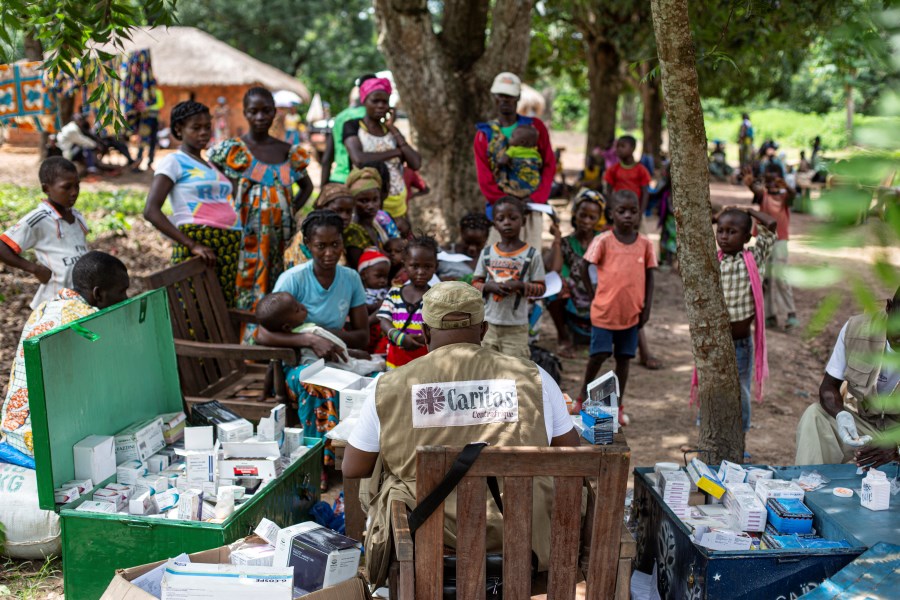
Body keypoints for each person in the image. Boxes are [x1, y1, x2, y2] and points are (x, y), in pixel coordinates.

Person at [342, 281, 579, 586]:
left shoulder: (389, 385)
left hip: (430, 535)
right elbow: (570, 454)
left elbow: (352, 467)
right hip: (523, 537)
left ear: (426, 333)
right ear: (484, 330)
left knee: (381, 471)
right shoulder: (534, 377)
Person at [259, 211, 369, 488]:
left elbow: (362, 335)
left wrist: (324, 335)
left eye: (335, 244)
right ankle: (316, 460)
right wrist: (309, 339)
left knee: (376, 383)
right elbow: (263, 333)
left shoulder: (350, 278)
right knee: (314, 386)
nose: (329, 252)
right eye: (321, 246)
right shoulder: (293, 279)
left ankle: (355, 456)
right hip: (298, 364)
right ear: (308, 244)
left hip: (337, 360)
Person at [209, 87, 314, 341]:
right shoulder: (235, 151)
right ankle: (250, 344)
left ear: (274, 112)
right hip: (248, 238)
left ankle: (281, 341)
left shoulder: (288, 152)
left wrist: (287, 211)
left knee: (281, 288)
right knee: (248, 286)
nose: (260, 116)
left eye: (266, 110)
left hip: (283, 238)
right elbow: (215, 181)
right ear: (244, 113)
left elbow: (307, 187)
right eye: (253, 111)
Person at [1, 251, 130, 456]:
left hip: (13, 433)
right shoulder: (89, 321)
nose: (126, 298)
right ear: (98, 294)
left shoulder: (45, 308)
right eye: (122, 292)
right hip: (44, 444)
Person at [143, 101, 242, 307]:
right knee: (193, 308)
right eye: (196, 128)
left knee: (222, 308)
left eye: (207, 127)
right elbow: (151, 211)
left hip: (227, 247)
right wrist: (192, 244)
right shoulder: (174, 162)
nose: (204, 132)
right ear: (179, 129)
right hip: (199, 247)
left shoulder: (212, 165)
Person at [574, 191, 657, 424]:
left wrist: (646, 308)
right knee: (599, 354)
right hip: (603, 312)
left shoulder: (645, 244)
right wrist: (593, 296)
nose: (628, 216)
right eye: (622, 211)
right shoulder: (603, 240)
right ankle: (582, 396)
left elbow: (650, 277)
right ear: (611, 214)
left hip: (631, 314)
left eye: (633, 211)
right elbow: (584, 266)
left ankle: (617, 406)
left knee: (624, 359)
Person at [795, 288, 900, 467]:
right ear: (889, 308)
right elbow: (828, 387)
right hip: (864, 424)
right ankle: (810, 487)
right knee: (816, 416)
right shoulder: (856, 329)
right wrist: (841, 415)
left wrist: (896, 448)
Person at [695, 206, 777, 432]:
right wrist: (715, 216)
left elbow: (770, 225)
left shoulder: (754, 258)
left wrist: (750, 211)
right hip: (714, 342)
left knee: (740, 390)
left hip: (740, 344)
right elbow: (695, 231)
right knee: (710, 387)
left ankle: (739, 435)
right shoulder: (712, 260)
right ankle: (708, 430)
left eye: (732, 232)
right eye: (720, 230)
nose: (723, 236)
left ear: (747, 237)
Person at [474, 72, 556, 250]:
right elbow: (485, 175)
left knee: (530, 255)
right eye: (501, 96)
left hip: (531, 206)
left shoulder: (534, 128)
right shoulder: (484, 134)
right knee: (499, 258)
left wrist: (535, 198)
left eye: (510, 96)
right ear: (494, 98)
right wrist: (505, 202)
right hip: (499, 209)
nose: (505, 100)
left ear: (518, 97)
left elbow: (549, 164)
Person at [1, 157, 89, 310]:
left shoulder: (77, 217)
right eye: (67, 187)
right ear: (46, 189)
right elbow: (2, 247)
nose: (74, 192)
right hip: (52, 305)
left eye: (77, 186)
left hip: (78, 302)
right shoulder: (39, 219)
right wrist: (35, 269)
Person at [472, 196, 546, 360]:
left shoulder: (532, 255)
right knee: (488, 366)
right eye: (501, 219)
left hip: (516, 327)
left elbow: (541, 288)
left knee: (514, 369)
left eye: (513, 218)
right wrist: (489, 287)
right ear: (494, 224)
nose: (507, 222)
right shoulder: (487, 253)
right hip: (488, 325)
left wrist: (520, 286)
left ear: (523, 221)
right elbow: (475, 283)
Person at [343, 77, 421, 218]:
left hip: (397, 202)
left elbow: (415, 163)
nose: (380, 106)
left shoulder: (391, 132)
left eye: (385, 102)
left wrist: (392, 128)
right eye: (375, 101)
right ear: (364, 101)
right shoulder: (353, 126)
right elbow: (359, 160)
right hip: (368, 202)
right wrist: (396, 152)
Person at [546, 190, 603, 358]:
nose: (586, 221)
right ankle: (564, 337)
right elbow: (554, 270)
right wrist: (557, 239)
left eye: (592, 217)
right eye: (582, 215)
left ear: (599, 219)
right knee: (553, 287)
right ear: (575, 214)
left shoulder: (604, 241)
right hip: (575, 299)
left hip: (600, 297)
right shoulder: (566, 243)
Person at [749, 165, 799, 330]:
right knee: (767, 278)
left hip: (779, 241)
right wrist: (751, 181)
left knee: (781, 276)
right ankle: (769, 315)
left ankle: (791, 313)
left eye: (774, 180)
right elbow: (754, 189)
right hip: (764, 241)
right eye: (768, 181)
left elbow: (792, 195)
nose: (771, 185)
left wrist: (784, 185)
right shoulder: (763, 195)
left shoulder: (785, 197)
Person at [378, 235, 439, 368]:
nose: (421, 272)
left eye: (427, 267)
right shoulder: (395, 293)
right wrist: (399, 337)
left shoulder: (436, 297)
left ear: (436, 266)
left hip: (424, 363)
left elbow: (440, 326)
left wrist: (428, 337)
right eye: (415, 266)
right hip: (395, 361)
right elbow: (384, 320)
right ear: (404, 265)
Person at [320, 74, 376, 187]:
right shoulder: (372, 117)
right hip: (364, 181)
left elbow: (327, 158)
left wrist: (324, 187)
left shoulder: (341, 117)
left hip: (339, 178)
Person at [284, 183, 355, 270]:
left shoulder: (348, 232)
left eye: (349, 212)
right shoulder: (310, 235)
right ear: (322, 208)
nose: (344, 216)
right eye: (338, 210)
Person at [343, 167, 398, 268]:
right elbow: (361, 269)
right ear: (352, 201)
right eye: (363, 201)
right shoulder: (353, 232)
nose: (371, 205)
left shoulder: (376, 224)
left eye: (375, 199)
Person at [438, 212, 492, 283]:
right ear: (461, 234)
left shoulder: (491, 258)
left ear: (486, 239)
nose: (472, 248)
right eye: (467, 242)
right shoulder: (442, 254)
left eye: (478, 244)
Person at [492, 123, 542, 200]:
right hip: (532, 183)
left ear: (522, 142)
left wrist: (497, 165)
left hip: (518, 178)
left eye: (512, 137)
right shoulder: (535, 152)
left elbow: (503, 161)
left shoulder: (513, 149)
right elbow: (539, 165)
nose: (509, 139)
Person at [603, 135, 651, 216]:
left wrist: (640, 213)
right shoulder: (613, 170)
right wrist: (612, 208)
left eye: (622, 146)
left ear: (633, 148)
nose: (618, 149)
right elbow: (608, 191)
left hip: (636, 210)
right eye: (617, 146)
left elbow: (645, 193)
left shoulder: (641, 170)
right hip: (619, 210)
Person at [358, 247, 391, 355]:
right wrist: (377, 305)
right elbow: (361, 308)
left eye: (385, 277)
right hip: (369, 328)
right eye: (378, 276)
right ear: (364, 275)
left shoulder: (387, 290)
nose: (383, 280)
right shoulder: (361, 291)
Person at [134, 87, 164, 171]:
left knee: (153, 142)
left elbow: (160, 104)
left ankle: (150, 162)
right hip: (145, 119)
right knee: (143, 141)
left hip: (153, 120)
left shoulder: (157, 92)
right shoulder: (143, 92)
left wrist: (147, 107)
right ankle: (138, 161)